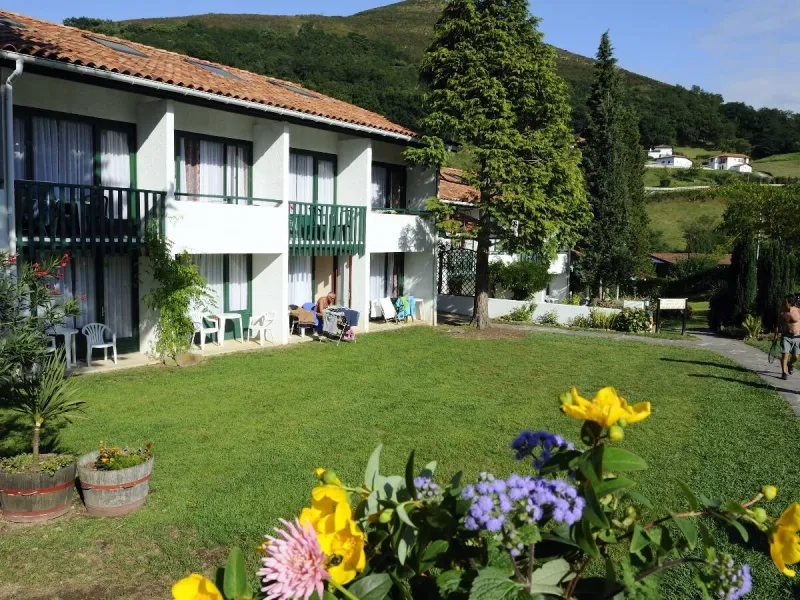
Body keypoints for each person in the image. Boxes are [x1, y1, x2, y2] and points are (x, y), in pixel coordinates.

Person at [776, 294, 800, 380]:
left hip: (797, 337)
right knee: (785, 354)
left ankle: (789, 364)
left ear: (790, 302)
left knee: (796, 356)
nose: (783, 302)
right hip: (786, 336)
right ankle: (784, 373)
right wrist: (776, 335)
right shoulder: (782, 312)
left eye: (785, 301)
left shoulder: (798, 311)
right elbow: (778, 325)